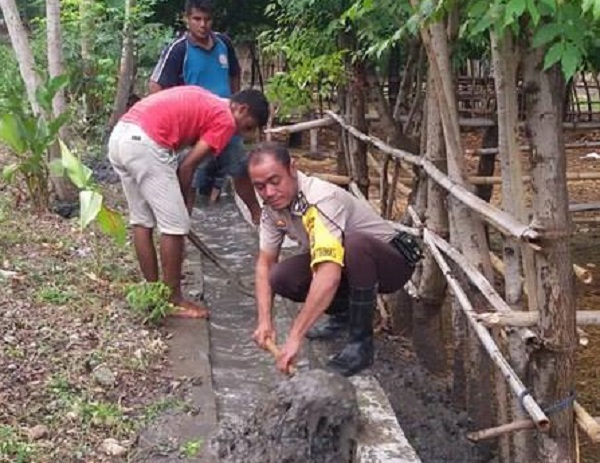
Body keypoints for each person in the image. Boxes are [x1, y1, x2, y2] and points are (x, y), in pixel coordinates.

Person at [249, 143, 421, 377]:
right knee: (280, 277)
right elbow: (265, 262)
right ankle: (343, 317)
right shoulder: (271, 208)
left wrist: (294, 337)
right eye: (260, 187)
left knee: (353, 245)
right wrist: (264, 321)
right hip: (347, 264)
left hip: (391, 264)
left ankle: (361, 344)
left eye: (274, 181)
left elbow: (329, 274)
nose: (269, 192)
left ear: (292, 169)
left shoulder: (320, 199)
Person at [108, 86, 269, 319]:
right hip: (146, 143)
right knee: (175, 226)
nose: (241, 134)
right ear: (241, 109)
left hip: (121, 136)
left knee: (142, 221)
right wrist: (182, 210)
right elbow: (187, 166)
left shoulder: (210, 100)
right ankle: (173, 300)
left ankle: (154, 293)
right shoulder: (225, 119)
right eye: (247, 127)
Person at [149, 0, 250, 210]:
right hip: (195, 128)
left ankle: (257, 217)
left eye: (207, 19)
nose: (203, 25)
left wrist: (234, 100)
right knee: (191, 175)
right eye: (197, 19)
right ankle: (184, 223)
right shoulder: (178, 50)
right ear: (187, 19)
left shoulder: (224, 43)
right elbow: (156, 86)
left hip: (227, 122)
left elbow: (234, 74)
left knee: (241, 170)